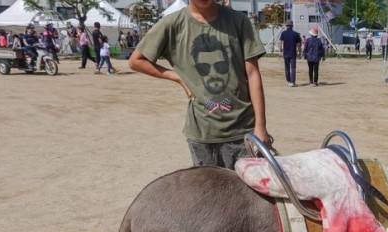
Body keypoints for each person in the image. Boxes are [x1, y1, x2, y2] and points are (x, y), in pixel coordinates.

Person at [128, 0, 271, 169]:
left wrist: (260, 126)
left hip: (243, 130)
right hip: (202, 133)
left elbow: (253, 74)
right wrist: (177, 77)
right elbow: (136, 61)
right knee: (209, 191)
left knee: (248, 192)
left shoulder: (238, 21)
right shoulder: (172, 24)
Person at [278, 20, 301, 87]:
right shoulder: (296, 34)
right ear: (292, 26)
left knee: (286, 67)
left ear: (286, 26)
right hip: (293, 53)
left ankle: (288, 81)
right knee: (293, 68)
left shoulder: (283, 33)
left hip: (285, 53)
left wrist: (280, 51)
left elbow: (281, 42)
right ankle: (292, 82)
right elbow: (299, 44)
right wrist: (299, 52)